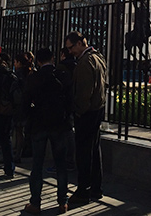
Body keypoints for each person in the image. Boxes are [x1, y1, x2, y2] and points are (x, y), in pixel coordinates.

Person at [23, 47, 73, 215]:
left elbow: (25, 101)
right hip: (59, 125)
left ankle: (35, 203)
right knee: (61, 165)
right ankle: (62, 202)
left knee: (37, 164)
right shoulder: (62, 76)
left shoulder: (34, 78)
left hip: (39, 124)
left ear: (38, 61)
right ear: (52, 58)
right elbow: (70, 100)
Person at [64, 31, 107, 206]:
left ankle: (84, 190)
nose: (70, 51)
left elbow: (83, 93)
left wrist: (79, 111)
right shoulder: (98, 57)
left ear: (81, 43)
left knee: (83, 152)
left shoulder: (84, 62)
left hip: (87, 112)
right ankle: (96, 187)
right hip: (98, 109)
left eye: (71, 47)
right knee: (94, 150)